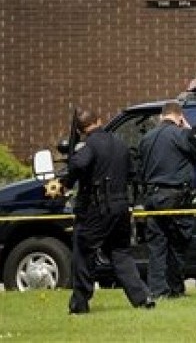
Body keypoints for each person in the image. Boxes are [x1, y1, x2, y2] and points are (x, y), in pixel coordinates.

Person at [62, 108, 155, 314]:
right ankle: (143, 297)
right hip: (121, 207)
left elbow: (79, 164)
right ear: (99, 120)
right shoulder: (120, 143)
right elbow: (133, 173)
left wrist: (65, 182)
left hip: (96, 209)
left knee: (83, 255)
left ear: (80, 130)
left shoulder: (90, 145)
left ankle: (80, 303)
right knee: (121, 254)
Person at [138, 101, 196, 300]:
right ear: (179, 117)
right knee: (178, 243)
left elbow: (140, 169)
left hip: (152, 197)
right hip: (176, 197)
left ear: (161, 116)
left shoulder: (146, 138)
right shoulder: (180, 134)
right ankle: (175, 288)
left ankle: (158, 291)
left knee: (157, 246)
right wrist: (188, 128)